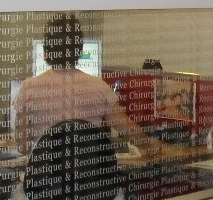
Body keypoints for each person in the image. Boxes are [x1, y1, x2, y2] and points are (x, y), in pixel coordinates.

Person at [12, 13, 156, 156]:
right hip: (88, 169)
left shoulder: (28, 88)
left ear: (47, 48)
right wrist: (151, 146)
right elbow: (126, 128)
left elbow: (23, 147)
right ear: (79, 48)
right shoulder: (98, 86)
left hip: (48, 169)